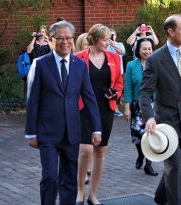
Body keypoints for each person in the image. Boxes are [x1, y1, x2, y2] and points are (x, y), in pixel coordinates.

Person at [25, 20, 102, 205]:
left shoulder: (80, 65)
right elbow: (32, 100)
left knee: (69, 179)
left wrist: (96, 128)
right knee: (50, 177)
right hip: (47, 132)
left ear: (73, 39)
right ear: (52, 40)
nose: (65, 42)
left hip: (72, 131)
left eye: (68, 38)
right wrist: (31, 132)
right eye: (60, 38)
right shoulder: (40, 64)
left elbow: (90, 98)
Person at [139, 15, 181, 205]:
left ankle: (161, 196)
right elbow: (145, 93)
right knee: (174, 166)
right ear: (170, 32)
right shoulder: (155, 59)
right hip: (166, 121)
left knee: (177, 164)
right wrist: (149, 117)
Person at [75, 24, 124, 205]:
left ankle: (93, 195)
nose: (108, 43)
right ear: (94, 39)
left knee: (100, 151)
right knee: (86, 150)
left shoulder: (113, 57)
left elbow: (119, 81)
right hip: (84, 109)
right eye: (105, 39)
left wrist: (115, 93)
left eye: (109, 39)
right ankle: (80, 190)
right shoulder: (78, 58)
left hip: (106, 108)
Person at [123, 38, 158, 176]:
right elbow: (128, 87)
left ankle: (149, 165)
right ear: (138, 50)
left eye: (150, 48)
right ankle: (140, 155)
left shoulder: (157, 64)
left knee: (151, 135)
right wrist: (127, 107)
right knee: (138, 135)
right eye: (144, 48)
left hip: (153, 105)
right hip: (137, 106)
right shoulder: (131, 65)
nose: (147, 51)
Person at [107, 28, 126, 117]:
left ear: (116, 36)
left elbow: (122, 52)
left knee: (117, 89)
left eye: (113, 34)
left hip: (118, 70)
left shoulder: (119, 44)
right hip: (108, 70)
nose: (111, 36)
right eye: (110, 34)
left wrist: (113, 44)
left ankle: (116, 108)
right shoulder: (105, 44)